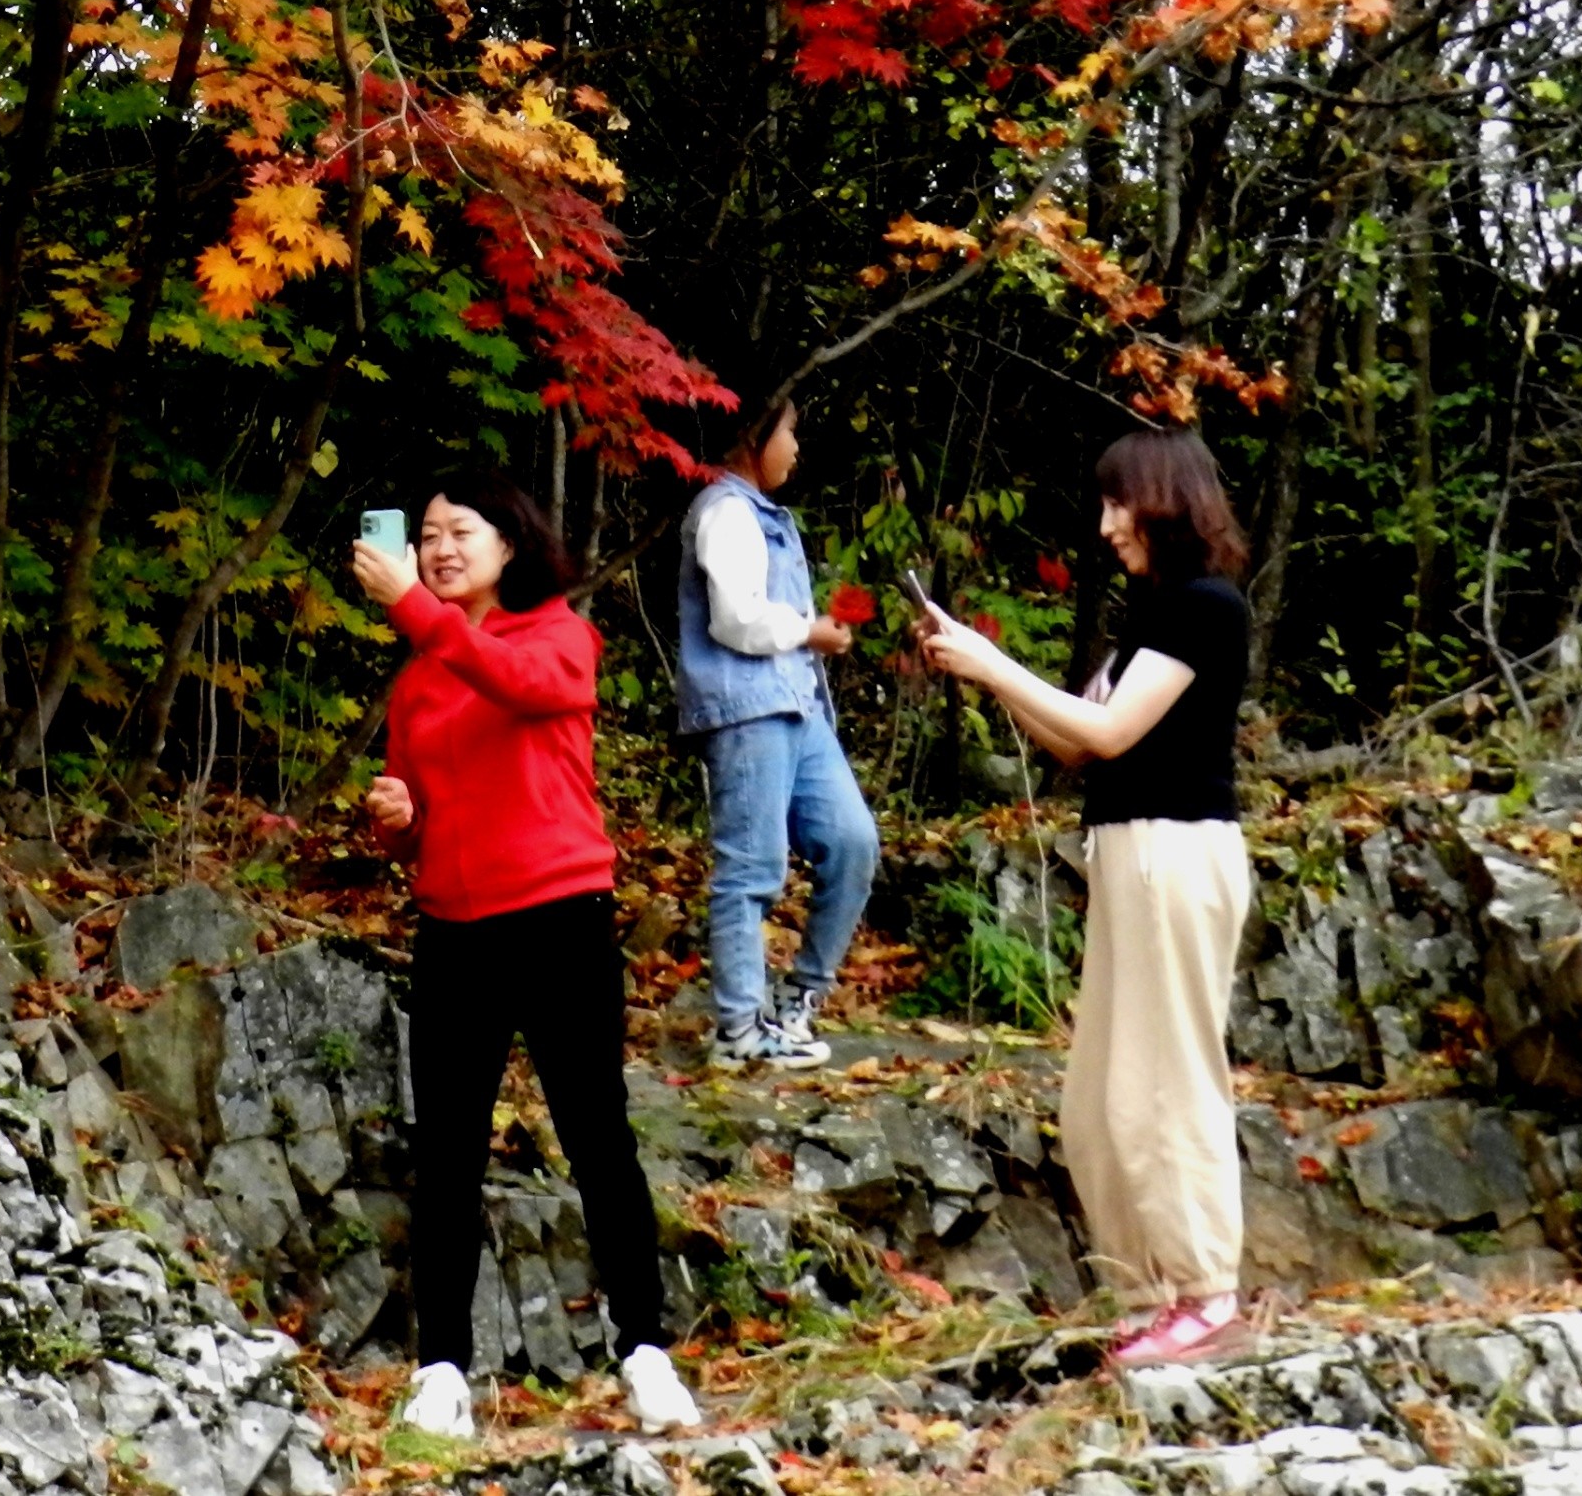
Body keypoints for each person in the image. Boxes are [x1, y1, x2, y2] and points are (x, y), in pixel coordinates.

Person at [356, 476, 700, 1445]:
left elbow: (526, 688)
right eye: (425, 535)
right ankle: (441, 1369)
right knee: (449, 1150)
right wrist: (398, 819)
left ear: (511, 544)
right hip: (453, 926)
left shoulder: (556, 633)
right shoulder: (419, 672)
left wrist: (418, 612)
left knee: (597, 1134)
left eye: (460, 530)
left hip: (559, 914)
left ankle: (644, 1349)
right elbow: (415, 822)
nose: (439, 548)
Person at [919, 427, 1254, 1367]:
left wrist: (993, 664)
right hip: (1127, 856)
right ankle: (1152, 1291)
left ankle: (1206, 1292)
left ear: (1165, 502)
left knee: (1168, 1085)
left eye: (1120, 503)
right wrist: (983, 677)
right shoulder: (1151, 614)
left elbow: (1108, 731)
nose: (1105, 523)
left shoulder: (1203, 607)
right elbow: (1075, 746)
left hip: (1174, 856)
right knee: (1101, 1095)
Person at [677, 392, 878, 1068]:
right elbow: (735, 617)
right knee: (751, 867)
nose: (795, 447)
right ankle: (738, 1029)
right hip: (745, 710)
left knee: (851, 842)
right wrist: (808, 631)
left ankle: (798, 1003)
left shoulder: (762, 513)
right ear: (752, 436)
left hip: (795, 704)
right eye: (789, 430)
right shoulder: (725, 510)